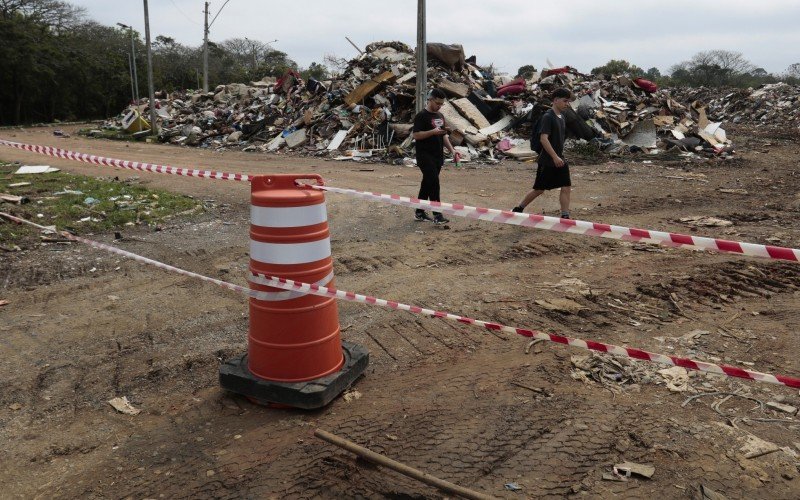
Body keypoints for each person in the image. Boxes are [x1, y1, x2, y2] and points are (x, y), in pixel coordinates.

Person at [512, 87, 573, 219]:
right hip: (548, 160)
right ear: (556, 100)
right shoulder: (548, 117)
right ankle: (518, 208)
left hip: (559, 159)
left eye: (568, 101)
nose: (567, 104)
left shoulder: (562, 117)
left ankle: (565, 215)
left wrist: (559, 156)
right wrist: (554, 157)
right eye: (565, 101)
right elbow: (543, 139)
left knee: (566, 186)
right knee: (539, 189)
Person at [412, 88, 460, 224]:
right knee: (434, 183)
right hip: (424, 155)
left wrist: (452, 150)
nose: (439, 106)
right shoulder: (421, 116)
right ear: (430, 99)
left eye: (441, 104)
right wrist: (432, 132)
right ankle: (437, 215)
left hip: (437, 155)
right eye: (437, 103)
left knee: (427, 183)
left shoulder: (440, 116)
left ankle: (419, 212)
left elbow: (443, 135)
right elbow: (416, 135)